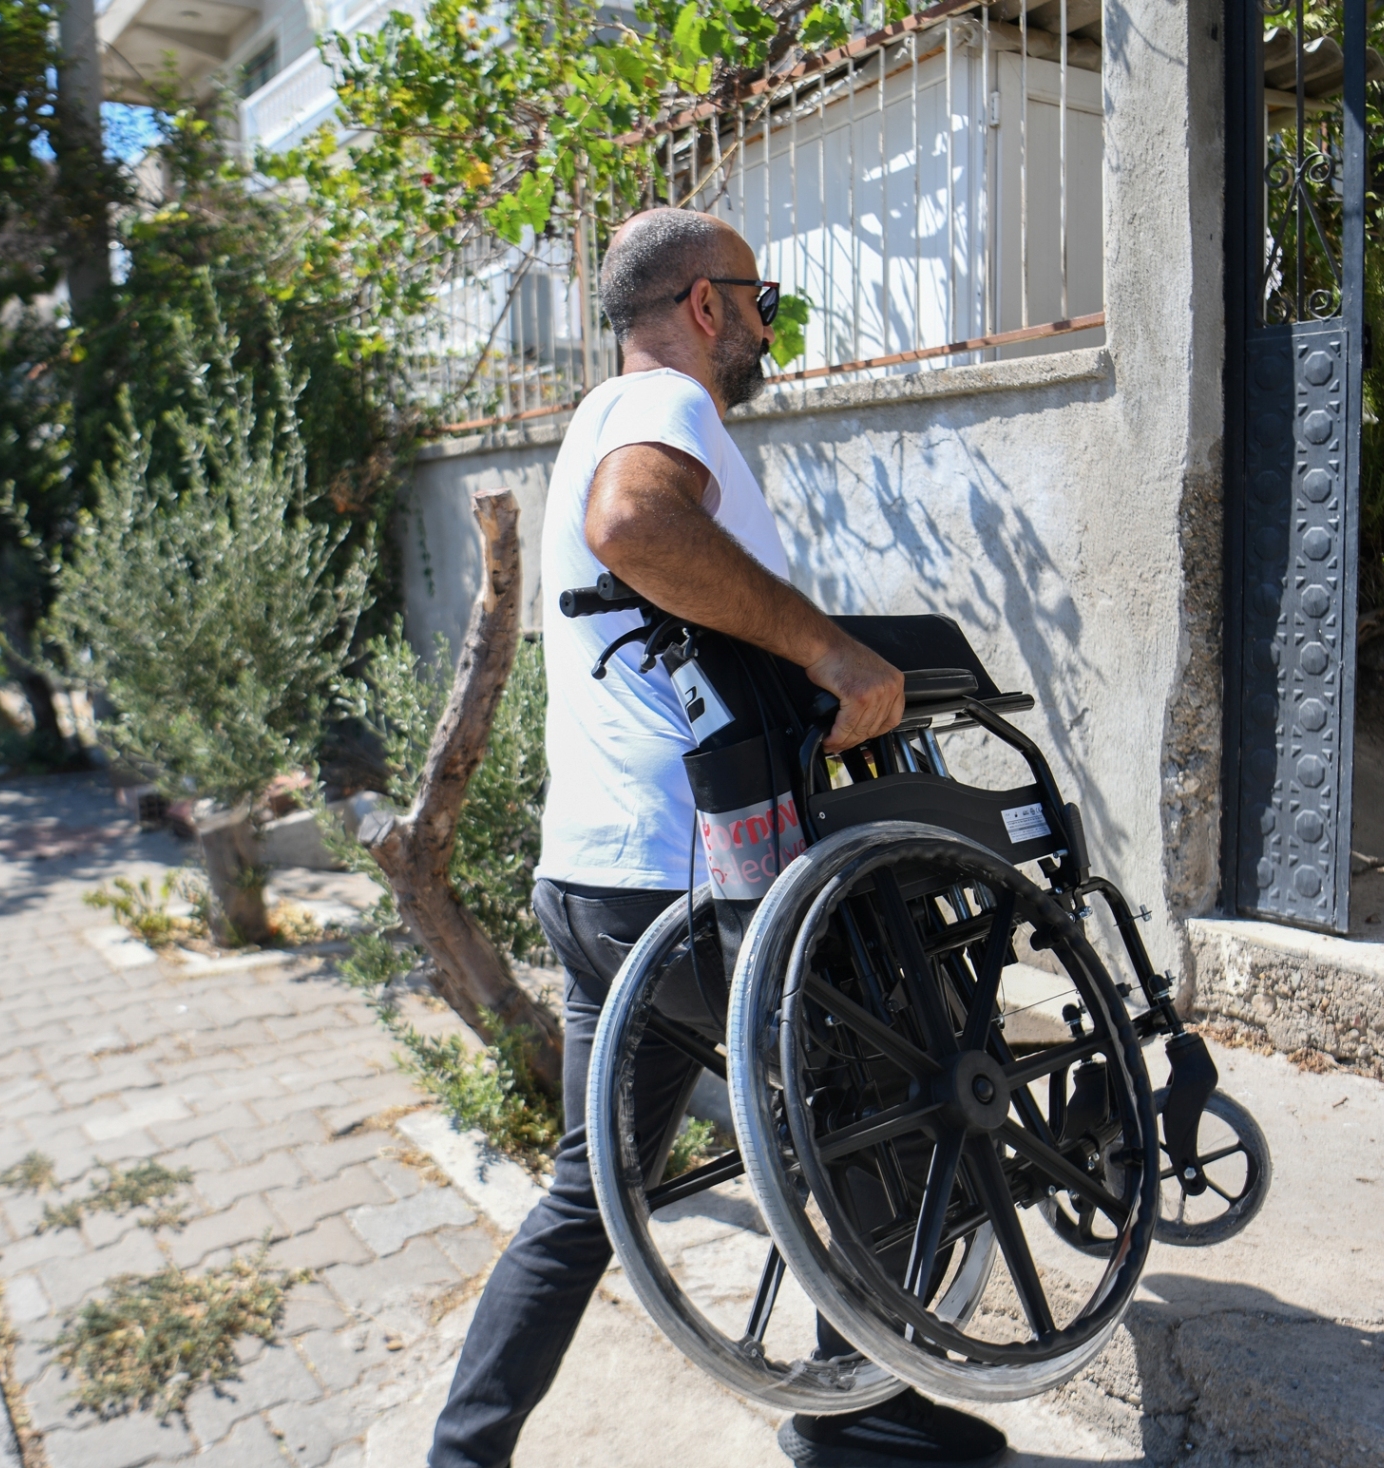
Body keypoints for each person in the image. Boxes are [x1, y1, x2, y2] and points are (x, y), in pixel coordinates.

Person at [427, 208, 1010, 1468]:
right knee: (873, 1100)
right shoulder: (669, 414)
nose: (764, 326)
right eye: (759, 300)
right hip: (695, 874)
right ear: (704, 305)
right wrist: (831, 648)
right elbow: (635, 531)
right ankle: (866, 1413)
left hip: (594, 882)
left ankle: (461, 1456)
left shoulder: (594, 418)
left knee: (594, 1190)